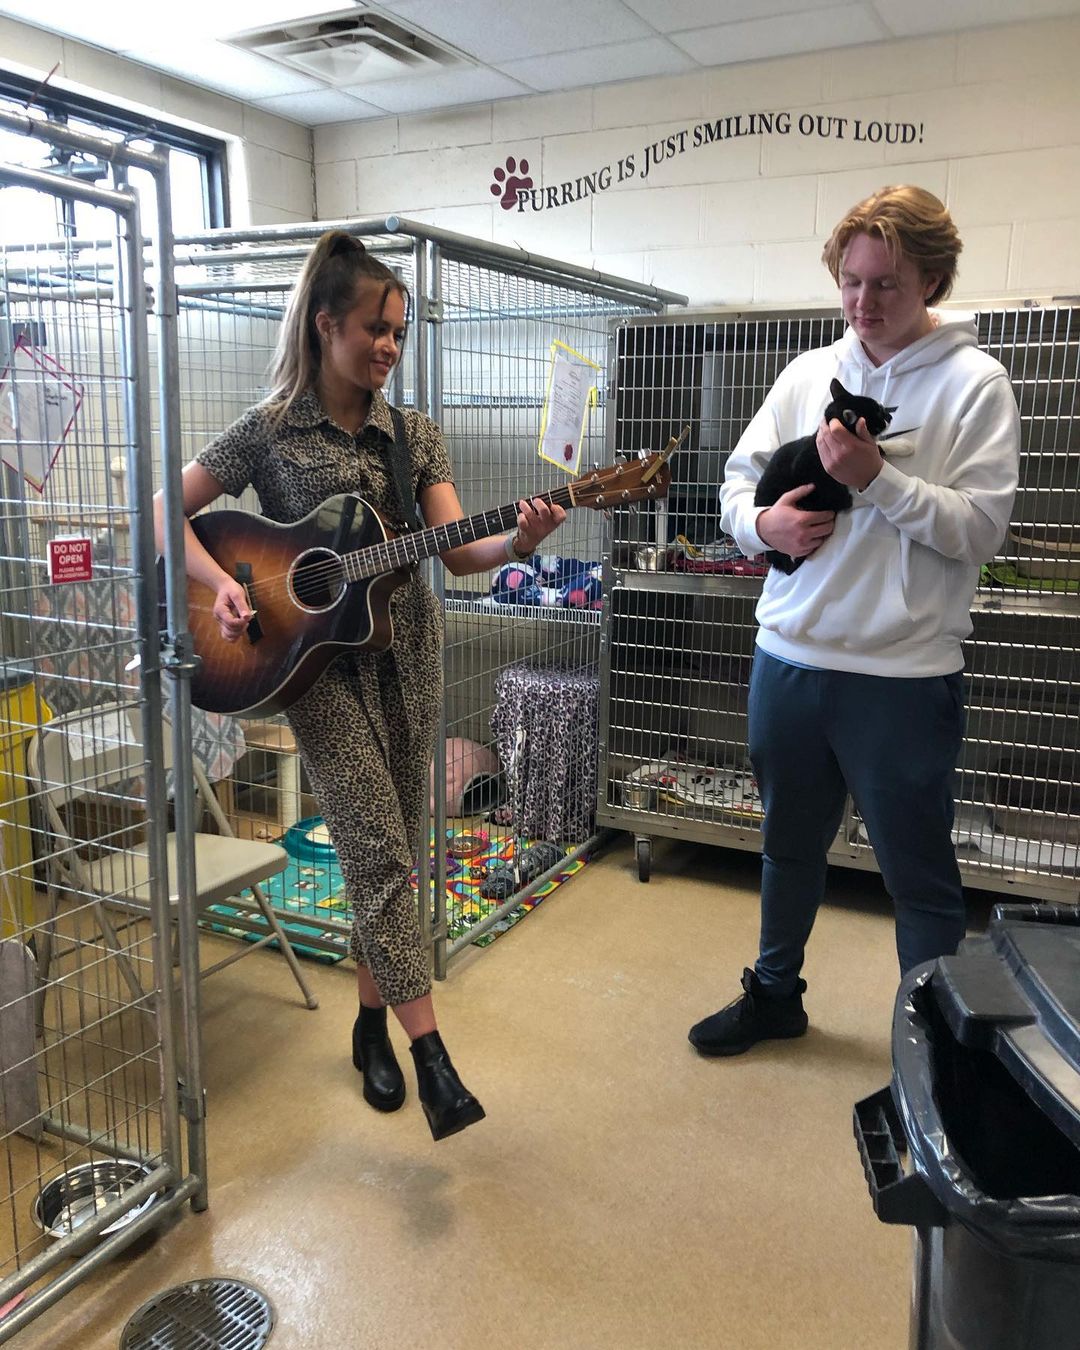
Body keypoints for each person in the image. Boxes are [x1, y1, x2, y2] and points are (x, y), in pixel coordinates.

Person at [155, 230, 565, 1137]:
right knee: (377, 846)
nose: (388, 347)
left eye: (400, 334)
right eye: (375, 329)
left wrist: (524, 540)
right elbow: (162, 511)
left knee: (397, 852)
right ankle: (435, 1060)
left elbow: (459, 553)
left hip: (406, 653)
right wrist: (222, 584)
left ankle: (371, 1022)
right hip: (310, 669)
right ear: (325, 323)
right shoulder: (266, 429)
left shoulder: (412, 436)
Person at [688, 186, 1020, 1057]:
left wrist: (877, 480)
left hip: (904, 678)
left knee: (920, 881)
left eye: (888, 287)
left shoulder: (975, 385)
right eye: (852, 282)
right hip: (789, 658)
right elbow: (733, 482)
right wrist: (762, 527)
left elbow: (980, 531)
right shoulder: (807, 374)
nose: (864, 305)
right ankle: (773, 995)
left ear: (934, 282)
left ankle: (930, 1051)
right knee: (787, 849)